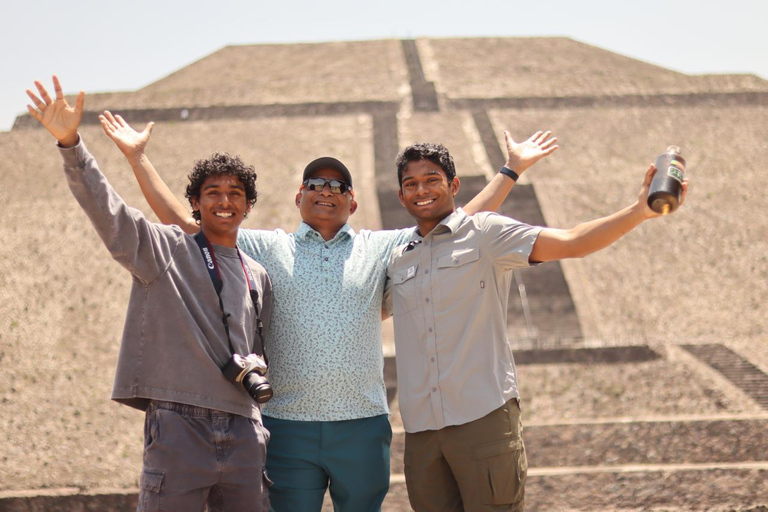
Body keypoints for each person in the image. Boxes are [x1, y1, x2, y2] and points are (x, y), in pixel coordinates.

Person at [99, 111, 557, 511]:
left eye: (337, 185)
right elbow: (188, 223)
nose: (325, 191)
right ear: (298, 199)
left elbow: (455, 225)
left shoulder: (381, 247)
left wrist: (510, 171)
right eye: (314, 184)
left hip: (361, 425)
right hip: (286, 426)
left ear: (352, 202)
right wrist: (137, 158)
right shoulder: (264, 246)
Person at [383, 141, 689, 511]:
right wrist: (511, 169)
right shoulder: (398, 255)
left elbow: (574, 241)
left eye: (432, 180)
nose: (422, 190)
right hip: (421, 433)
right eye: (411, 184)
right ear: (400, 195)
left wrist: (639, 210)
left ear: (454, 185)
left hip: (482, 419)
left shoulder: (486, 234)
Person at [26, 76, 273, 511]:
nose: (224, 201)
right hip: (180, 423)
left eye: (235, 193)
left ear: (248, 205)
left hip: (244, 431)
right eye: (212, 192)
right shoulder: (166, 248)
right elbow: (110, 214)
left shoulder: (257, 274)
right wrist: (72, 145)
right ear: (194, 203)